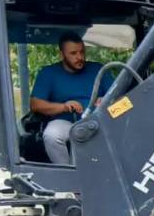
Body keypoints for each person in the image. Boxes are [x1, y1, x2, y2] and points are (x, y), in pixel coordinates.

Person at [30, 34, 108, 165]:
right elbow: (35, 104)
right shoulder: (48, 73)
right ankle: (68, 174)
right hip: (65, 122)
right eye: (73, 53)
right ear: (61, 55)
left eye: (82, 52)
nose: (79, 57)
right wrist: (64, 107)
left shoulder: (98, 69)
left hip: (98, 121)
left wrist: (107, 99)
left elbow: (121, 93)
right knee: (51, 135)